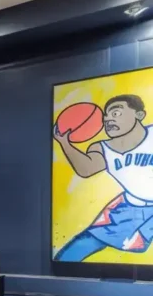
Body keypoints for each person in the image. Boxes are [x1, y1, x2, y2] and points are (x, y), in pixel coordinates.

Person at [54, 95, 153, 261]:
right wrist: (64, 143)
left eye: (116, 113)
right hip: (131, 205)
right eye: (105, 117)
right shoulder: (103, 147)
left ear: (139, 115)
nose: (108, 119)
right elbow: (86, 169)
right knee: (75, 250)